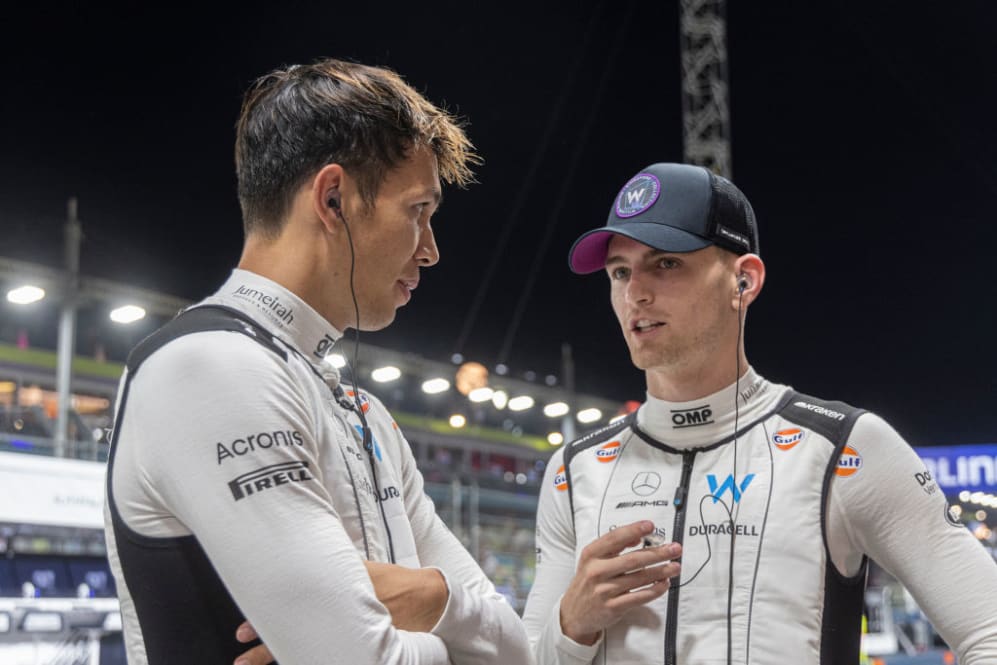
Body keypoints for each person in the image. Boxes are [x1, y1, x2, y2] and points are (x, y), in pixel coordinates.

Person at [103, 58, 530, 665]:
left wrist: (434, 597)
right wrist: (449, 629)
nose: (431, 250)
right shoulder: (210, 366)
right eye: (418, 212)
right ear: (333, 199)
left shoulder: (364, 413)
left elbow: (518, 651)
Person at [521, 162, 997, 664]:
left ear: (743, 282)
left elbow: (988, 629)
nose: (635, 292)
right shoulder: (573, 470)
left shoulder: (844, 447)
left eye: (665, 264)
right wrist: (570, 626)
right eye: (620, 271)